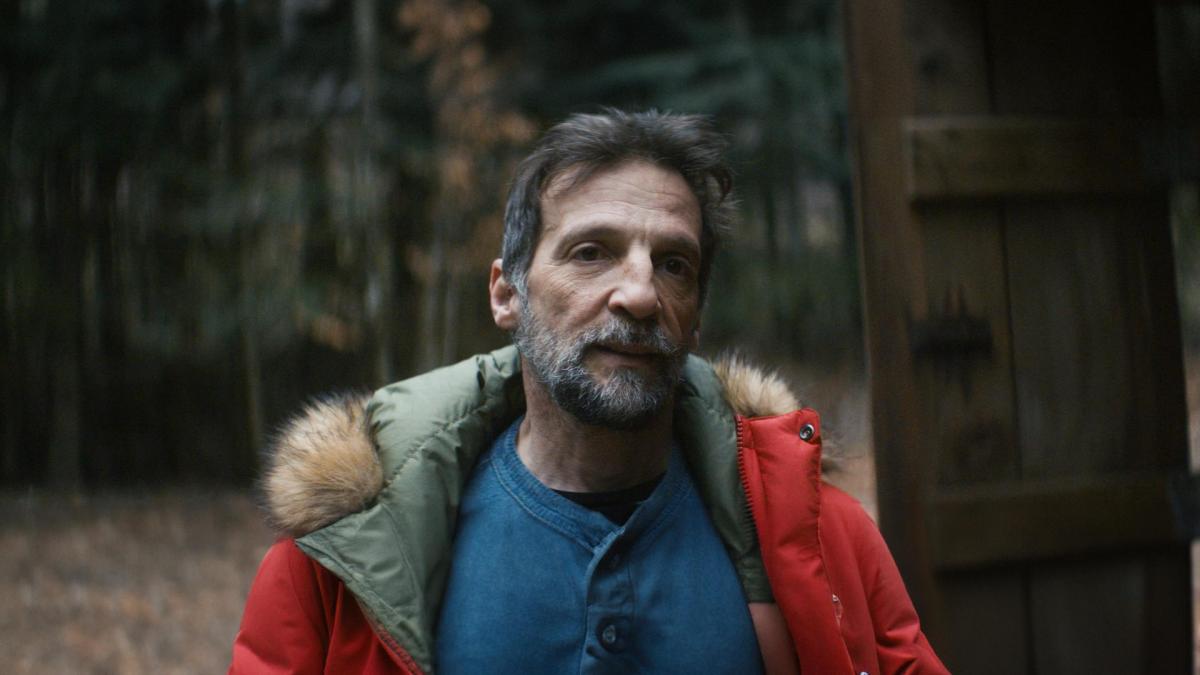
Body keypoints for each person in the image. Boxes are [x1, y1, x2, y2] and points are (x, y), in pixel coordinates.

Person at [228, 109, 948, 675]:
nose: (639, 294)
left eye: (673, 264)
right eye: (591, 252)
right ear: (506, 293)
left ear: (696, 316)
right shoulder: (347, 560)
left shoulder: (819, 539)